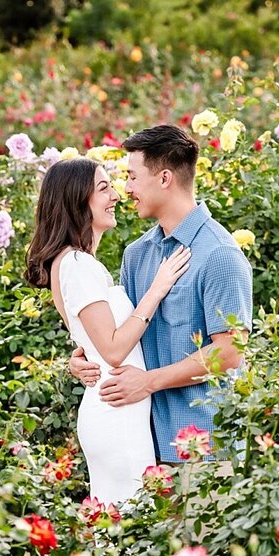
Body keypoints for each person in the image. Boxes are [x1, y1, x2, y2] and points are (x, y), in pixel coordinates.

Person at [70, 125, 252, 465]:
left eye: (133, 177)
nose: (126, 190)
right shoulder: (136, 255)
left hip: (208, 449)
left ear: (165, 178)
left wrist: (148, 383)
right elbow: (124, 332)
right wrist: (84, 358)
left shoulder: (219, 254)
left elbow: (229, 352)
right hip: (142, 444)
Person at [24, 158, 191, 504]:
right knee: (131, 521)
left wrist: (80, 358)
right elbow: (113, 350)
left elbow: (95, 344)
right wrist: (157, 290)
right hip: (117, 413)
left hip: (116, 406)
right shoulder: (76, 265)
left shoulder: (76, 264)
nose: (115, 195)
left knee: (120, 523)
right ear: (76, 200)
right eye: (103, 188)